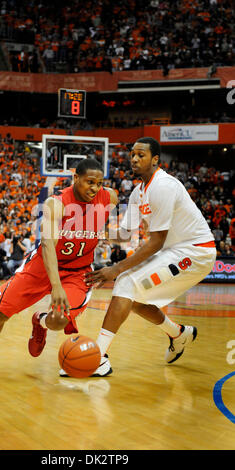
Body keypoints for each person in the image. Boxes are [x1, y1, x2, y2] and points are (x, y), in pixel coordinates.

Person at [0, 159, 118, 373]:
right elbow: (48, 245)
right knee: (2, 311)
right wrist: (56, 286)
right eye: (89, 182)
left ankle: (40, 321)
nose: (94, 188)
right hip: (44, 264)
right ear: (75, 178)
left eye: (99, 183)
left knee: (59, 319)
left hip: (78, 271)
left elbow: (123, 210)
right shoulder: (57, 203)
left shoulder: (109, 197)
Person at [85, 137, 216, 375]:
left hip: (195, 252)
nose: (134, 159)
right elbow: (124, 235)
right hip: (174, 251)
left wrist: (116, 269)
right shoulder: (138, 192)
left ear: (155, 159)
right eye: (132, 154)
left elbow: (156, 241)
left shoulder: (164, 185)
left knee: (125, 282)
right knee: (133, 300)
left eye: (141, 155)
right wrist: (92, 231)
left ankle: (98, 358)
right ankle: (179, 334)